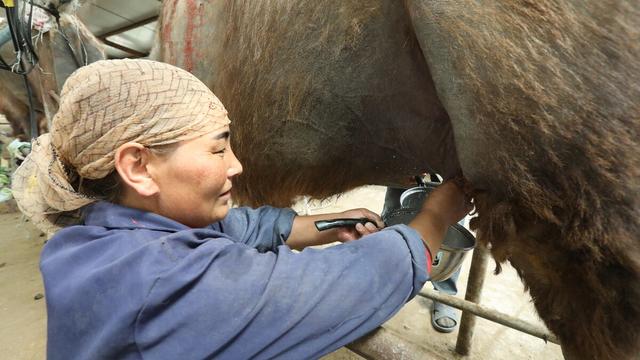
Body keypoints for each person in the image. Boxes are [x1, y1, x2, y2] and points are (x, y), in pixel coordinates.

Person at [12, 59, 472, 360]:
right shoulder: (175, 287)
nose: (237, 165)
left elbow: (237, 226)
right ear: (139, 166)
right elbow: (352, 283)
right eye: (217, 150)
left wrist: (323, 225)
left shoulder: (96, 232)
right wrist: (435, 215)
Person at [382, 186, 465, 333]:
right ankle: (384, 285)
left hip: (454, 169)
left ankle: (444, 294)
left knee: (452, 211)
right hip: (402, 166)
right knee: (394, 211)